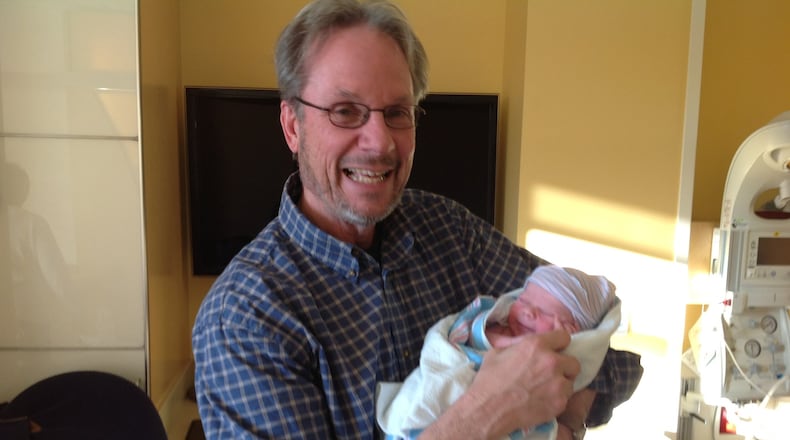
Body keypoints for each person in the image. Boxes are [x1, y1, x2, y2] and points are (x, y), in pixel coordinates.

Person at [191, 1, 644, 439]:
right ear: (293, 126)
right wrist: (487, 412)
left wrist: (565, 422)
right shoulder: (245, 317)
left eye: (397, 113)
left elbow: (608, 353)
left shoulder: (451, 231)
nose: (380, 142)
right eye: (345, 111)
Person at [376, 265, 631, 440]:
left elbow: (617, 364)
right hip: (442, 401)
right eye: (524, 301)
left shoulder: (457, 229)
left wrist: (568, 424)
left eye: (544, 313)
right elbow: (454, 340)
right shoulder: (494, 322)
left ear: (571, 330)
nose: (528, 312)